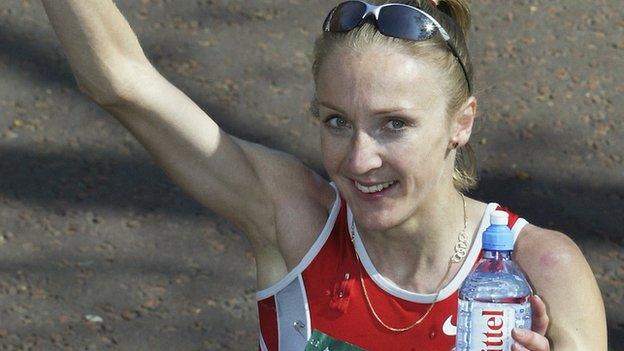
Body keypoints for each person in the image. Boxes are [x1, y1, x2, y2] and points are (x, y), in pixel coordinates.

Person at [40, 0, 607, 350]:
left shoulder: (540, 271)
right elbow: (120, 81)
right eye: (337, 121)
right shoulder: (296, 222)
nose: (358, 161)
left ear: (462, 122)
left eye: (394, 124)